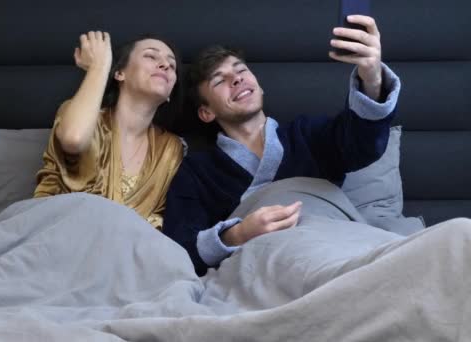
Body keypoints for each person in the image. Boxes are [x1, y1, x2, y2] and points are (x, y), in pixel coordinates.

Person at [163, 15, 402, 275]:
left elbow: (363, 144)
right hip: (265, 269)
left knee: (452, 237)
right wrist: (237, 234)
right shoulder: (197, 172)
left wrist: (372, 77)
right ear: (206, 112)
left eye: (241, 70)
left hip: (333, 247)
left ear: (260, 87)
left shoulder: (308, 135)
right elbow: (180, 249)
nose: (237, 79)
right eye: (219, 80)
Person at [35, 31, 185, 230]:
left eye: (172, 65)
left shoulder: (170, 148)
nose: (165, 65)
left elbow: (160, 222)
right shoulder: (81, 115)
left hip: (127, 249)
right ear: (119, 73)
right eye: (150, 56)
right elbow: (74, 139)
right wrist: (99, 67)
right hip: (59, 232)